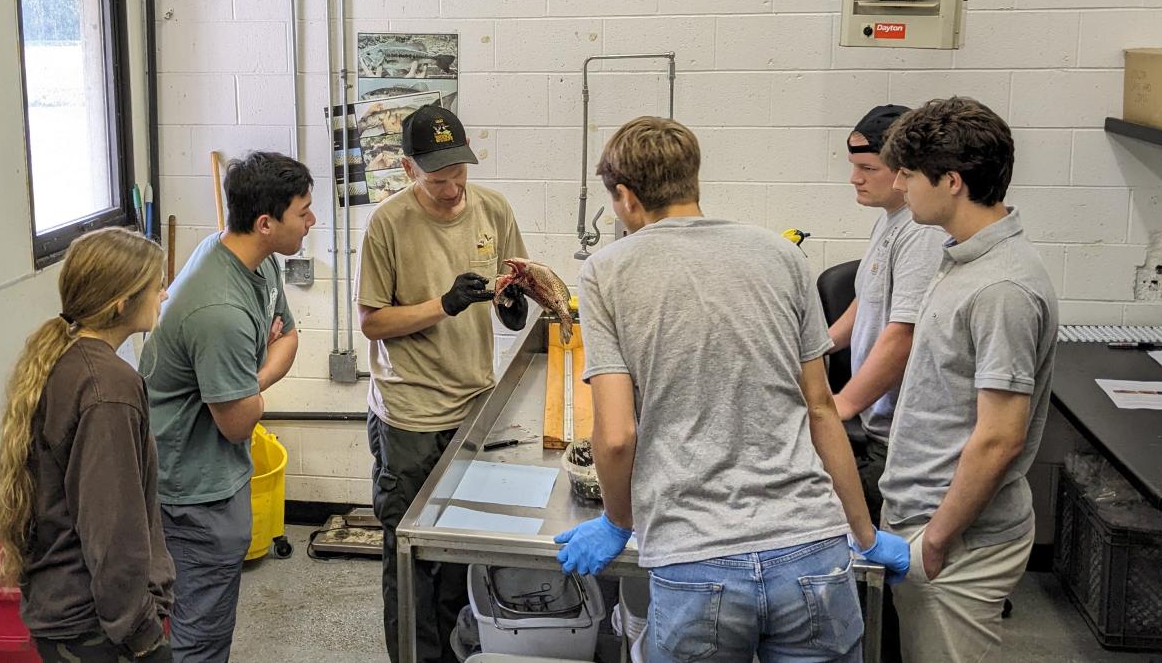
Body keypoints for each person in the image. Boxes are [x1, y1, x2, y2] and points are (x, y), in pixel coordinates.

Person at [554, 115, 909, 663]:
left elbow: (617, 434)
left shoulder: (607, 272)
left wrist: (616, 522)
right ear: (694, 180)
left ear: (624, 196)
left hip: (695, 561)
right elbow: (821, 410)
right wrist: (864, 533)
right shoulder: (782, 255)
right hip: (811, 550)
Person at [876, 96, 1059, 663]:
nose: (900, 187)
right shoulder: (962, 259)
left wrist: (935, 542)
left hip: (956, 540)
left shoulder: (1000, 289)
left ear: (951, 180)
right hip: (924, 517)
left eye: (909, 175)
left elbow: (1000, 437)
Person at [357, 103, 530, 663]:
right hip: (408, 414)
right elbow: (373, 322)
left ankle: (456, 654)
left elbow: (517, 283)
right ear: (409, 170)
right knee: (410, 557)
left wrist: (512, 304)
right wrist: (444, 304)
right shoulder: (387, 224)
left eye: (459, 173)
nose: (453, 188)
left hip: (472, 409)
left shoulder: (493, 209)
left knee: (458, 553)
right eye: (438, 179)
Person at [143, 151, 314, 663]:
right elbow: (239, 422)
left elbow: (291, 339)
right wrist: (252, 374)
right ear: (266, 223)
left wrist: (248, 377)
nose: (312, 221)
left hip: (216, 472)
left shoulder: (253, 265)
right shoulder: (218, 307)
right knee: (200, 634)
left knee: (204, 620)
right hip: (191, 489)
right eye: (302, 211)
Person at [0, 227, 175, 663]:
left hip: (65, 611)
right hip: (95, 628)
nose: (164, 296)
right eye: (156, 287)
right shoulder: (109, 387)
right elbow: (112, 528)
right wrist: (143, 636)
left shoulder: (66, 358)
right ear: (121, 302)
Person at [827, 104, 948, 520]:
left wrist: (840, 405)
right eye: (853, 166)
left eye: (868, 168)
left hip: (897, 439)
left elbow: (905, 335)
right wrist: (816, 347)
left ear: (903, 172)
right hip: (876, 422)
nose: (854, 178)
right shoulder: (892, 218)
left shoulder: (921, 234)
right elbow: (867, 299)